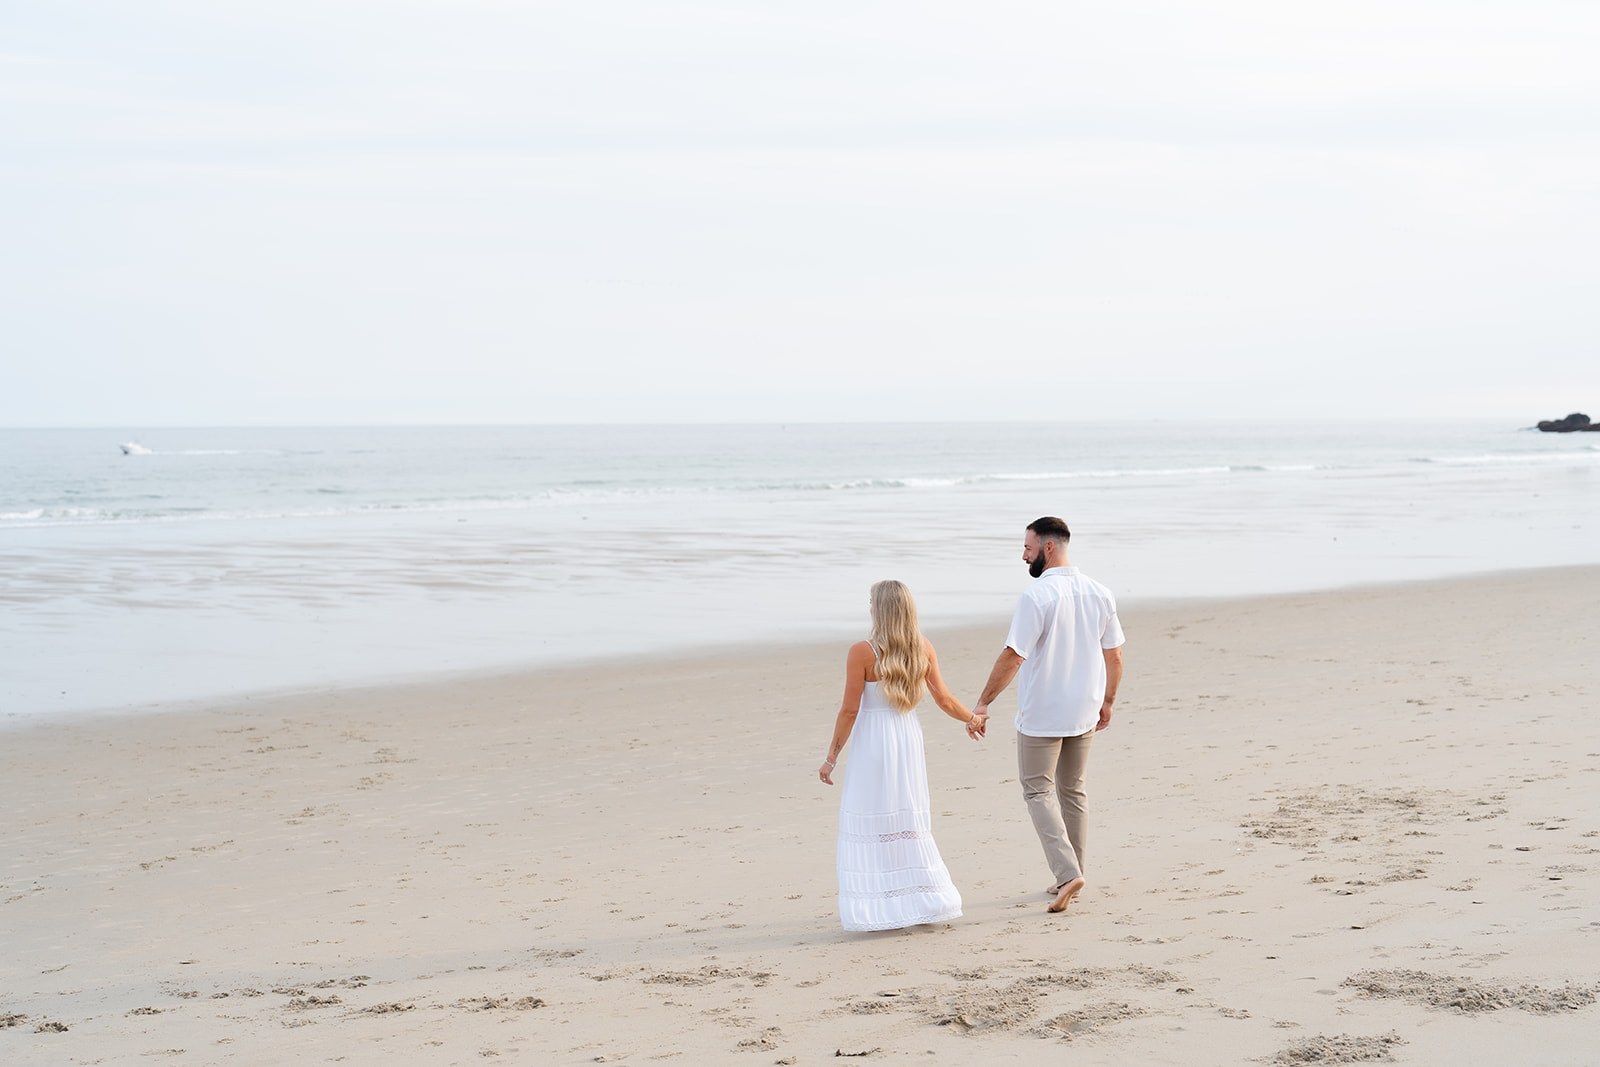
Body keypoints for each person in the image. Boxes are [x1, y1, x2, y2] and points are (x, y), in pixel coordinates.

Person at [970, 516, 1124, 914]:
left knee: (1037, 790)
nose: (1024, 556)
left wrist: (984, 702)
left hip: (1043, 713)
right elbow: (1115, 655)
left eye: (1027, 547)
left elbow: (1013, 656)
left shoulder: (1036, 596)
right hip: (1085, 709)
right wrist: (1107, 700)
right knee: (1073, 789)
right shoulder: (1100, 592)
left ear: (1048, 547)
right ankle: (1072, 875)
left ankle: (1067, 872)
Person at [818, 580, 984, 931]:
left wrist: (831, 758)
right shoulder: (922, 648)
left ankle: (881, 906)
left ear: (880, 610)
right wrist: (972, 719)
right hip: (906, 738)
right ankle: (923, 898)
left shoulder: (862, 652)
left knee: (872, 817)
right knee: (906, 819)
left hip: (873, 742)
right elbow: (944, 699)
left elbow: (849, 711)